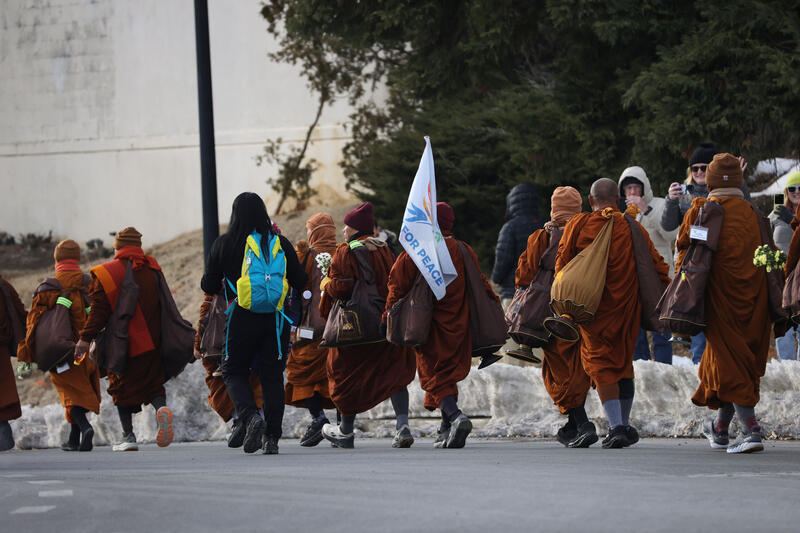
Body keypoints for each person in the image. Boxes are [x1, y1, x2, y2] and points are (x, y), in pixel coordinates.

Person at [556, 178, 671, 448]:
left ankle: (617, 426)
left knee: (600, 364)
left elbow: (562, 264)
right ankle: (624, 424)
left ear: (590, 200)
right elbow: (655, 264)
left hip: (592, 308)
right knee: (622, 364)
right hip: (626, 308)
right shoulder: (631, 227)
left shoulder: (579, 225)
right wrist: (667, 294)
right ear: (618, 200)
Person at [201, 192, 307, 455]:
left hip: (240, 316)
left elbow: (209, 284)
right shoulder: (279, 243)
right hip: (275, 318)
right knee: (272, 376)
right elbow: (300, 280)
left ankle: (250, 417)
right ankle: (272, 439)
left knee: (233, 370)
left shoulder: (224, 243)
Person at [682, 154, 772, 453]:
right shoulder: (754, 214)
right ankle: (720, 428)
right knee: (730, 360)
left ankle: (751, 429)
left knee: (729, 361)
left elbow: (685, 249)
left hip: (719, 300)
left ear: (709, 182)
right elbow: (770, 254)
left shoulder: (703, 212)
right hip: (755, 301)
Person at [386, 202, 489, 448]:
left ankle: (456, 416)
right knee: (447, 374)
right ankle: (445, 429)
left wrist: (388, 315)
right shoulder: (463, 249)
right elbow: (481, 283)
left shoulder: (419, 250)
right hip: (459, 323)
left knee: (433, 374)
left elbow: (397, 285)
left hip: (428, 325)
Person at [320, 202, 417, 449]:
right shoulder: (384, 249)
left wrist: (326, 285)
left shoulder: (346, 251)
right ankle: (402, 425)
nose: (343, 231)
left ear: (355, 228)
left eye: (347, 226)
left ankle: (345, 431)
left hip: (355, 327)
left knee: (344, 374)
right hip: (384, 323)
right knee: (393, 371)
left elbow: (341, 287)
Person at [76, 227, 174, 452]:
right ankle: (161, 409)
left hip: (123, 343)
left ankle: (128, 436)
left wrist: (85, 338)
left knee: (120, 388)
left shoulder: (106, 273)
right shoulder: (152, 268)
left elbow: (98, 311)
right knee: (153, 382)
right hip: (154, 340)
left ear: (117, 247)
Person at [515, 187, 595, 447]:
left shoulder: (542, 237)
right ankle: (573, 425)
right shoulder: (588, 233)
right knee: (577, 366)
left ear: (553, 209)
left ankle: (583, 424)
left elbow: (524, 274)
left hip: (549, 311)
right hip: (582, 308)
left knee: (558, 368)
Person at [17, 240, 102, 451]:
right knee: (81, 391)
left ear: (57, 259)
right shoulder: (89, 283)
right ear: (77, 258)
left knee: (70, 393)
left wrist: (27, 353)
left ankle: (85, 427)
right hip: (89, 349)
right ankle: (74, 440)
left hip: (62, 352)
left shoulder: (48, 289)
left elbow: (33, 323)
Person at [284, 213, 338, 446]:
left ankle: (319, 418)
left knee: (301, 374)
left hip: (309, 332)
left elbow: (294, 291)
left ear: (314, 232)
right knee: (339, 376)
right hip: (340, 331)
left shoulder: (305, 256)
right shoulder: (343, 253)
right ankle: (343, 425)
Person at [618, 166, 676, 365]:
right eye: (628, 189)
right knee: (636, 334)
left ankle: (664, 372)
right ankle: (642, 373)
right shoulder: (622, 214)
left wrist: (645, 209)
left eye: (636, 187)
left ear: (644, 188)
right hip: (634, 281)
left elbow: (670, 235)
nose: (633, 192)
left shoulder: (660, 204)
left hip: (659, 280)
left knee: (662, 332)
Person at [194, 290, 263, 448]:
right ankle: (260, 422)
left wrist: (198, 341)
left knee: (221, 379)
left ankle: (242, 419)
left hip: (224, 333)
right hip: (261, 322)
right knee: (254, 376)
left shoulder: (219, 282)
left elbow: (207, 304)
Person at [491, 184, 542, 307]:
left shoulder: (510, 227)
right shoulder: (545, 225)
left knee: (511, 320)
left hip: (513, 292)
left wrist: (496, 278)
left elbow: (503, 259)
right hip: (541, 293)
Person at [770, 171, 800, 360]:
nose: (796, 192)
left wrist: (794, 221)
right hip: (781, 280)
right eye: (792, 188)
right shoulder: (776, 214)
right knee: (783, 329)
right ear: (786, 191)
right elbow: (764, 239)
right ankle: (786, 370)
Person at [0, 275, 26, 451]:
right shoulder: (3, 285)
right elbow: (19, 311)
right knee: (2, 392)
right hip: (1, 348)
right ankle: (3, 431)